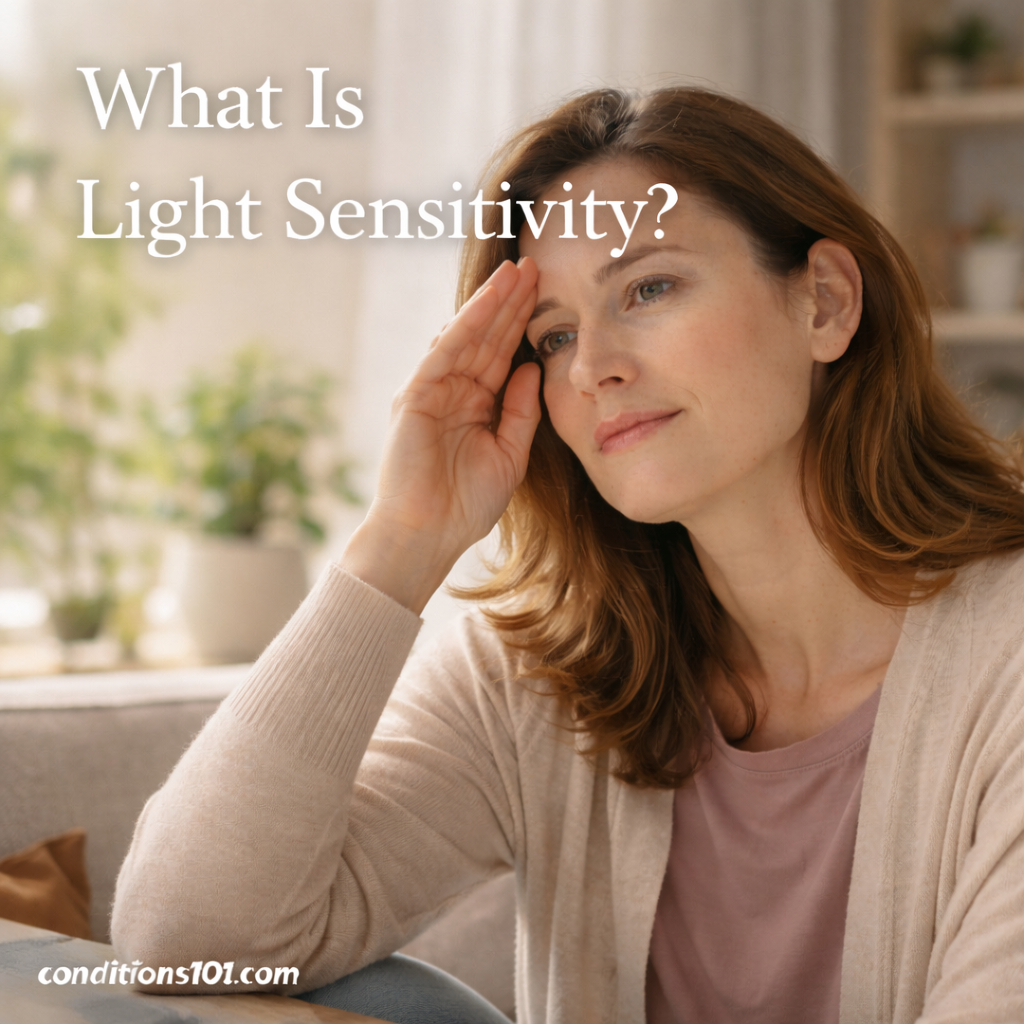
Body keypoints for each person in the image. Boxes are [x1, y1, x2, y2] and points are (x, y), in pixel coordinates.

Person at [111, 88, 1024, 1024]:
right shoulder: (545, 671)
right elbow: (186, 942)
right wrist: (401, 540)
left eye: (650, 288)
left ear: (825, 302)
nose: (592, 369)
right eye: (553, 336)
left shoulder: (1008, 663)